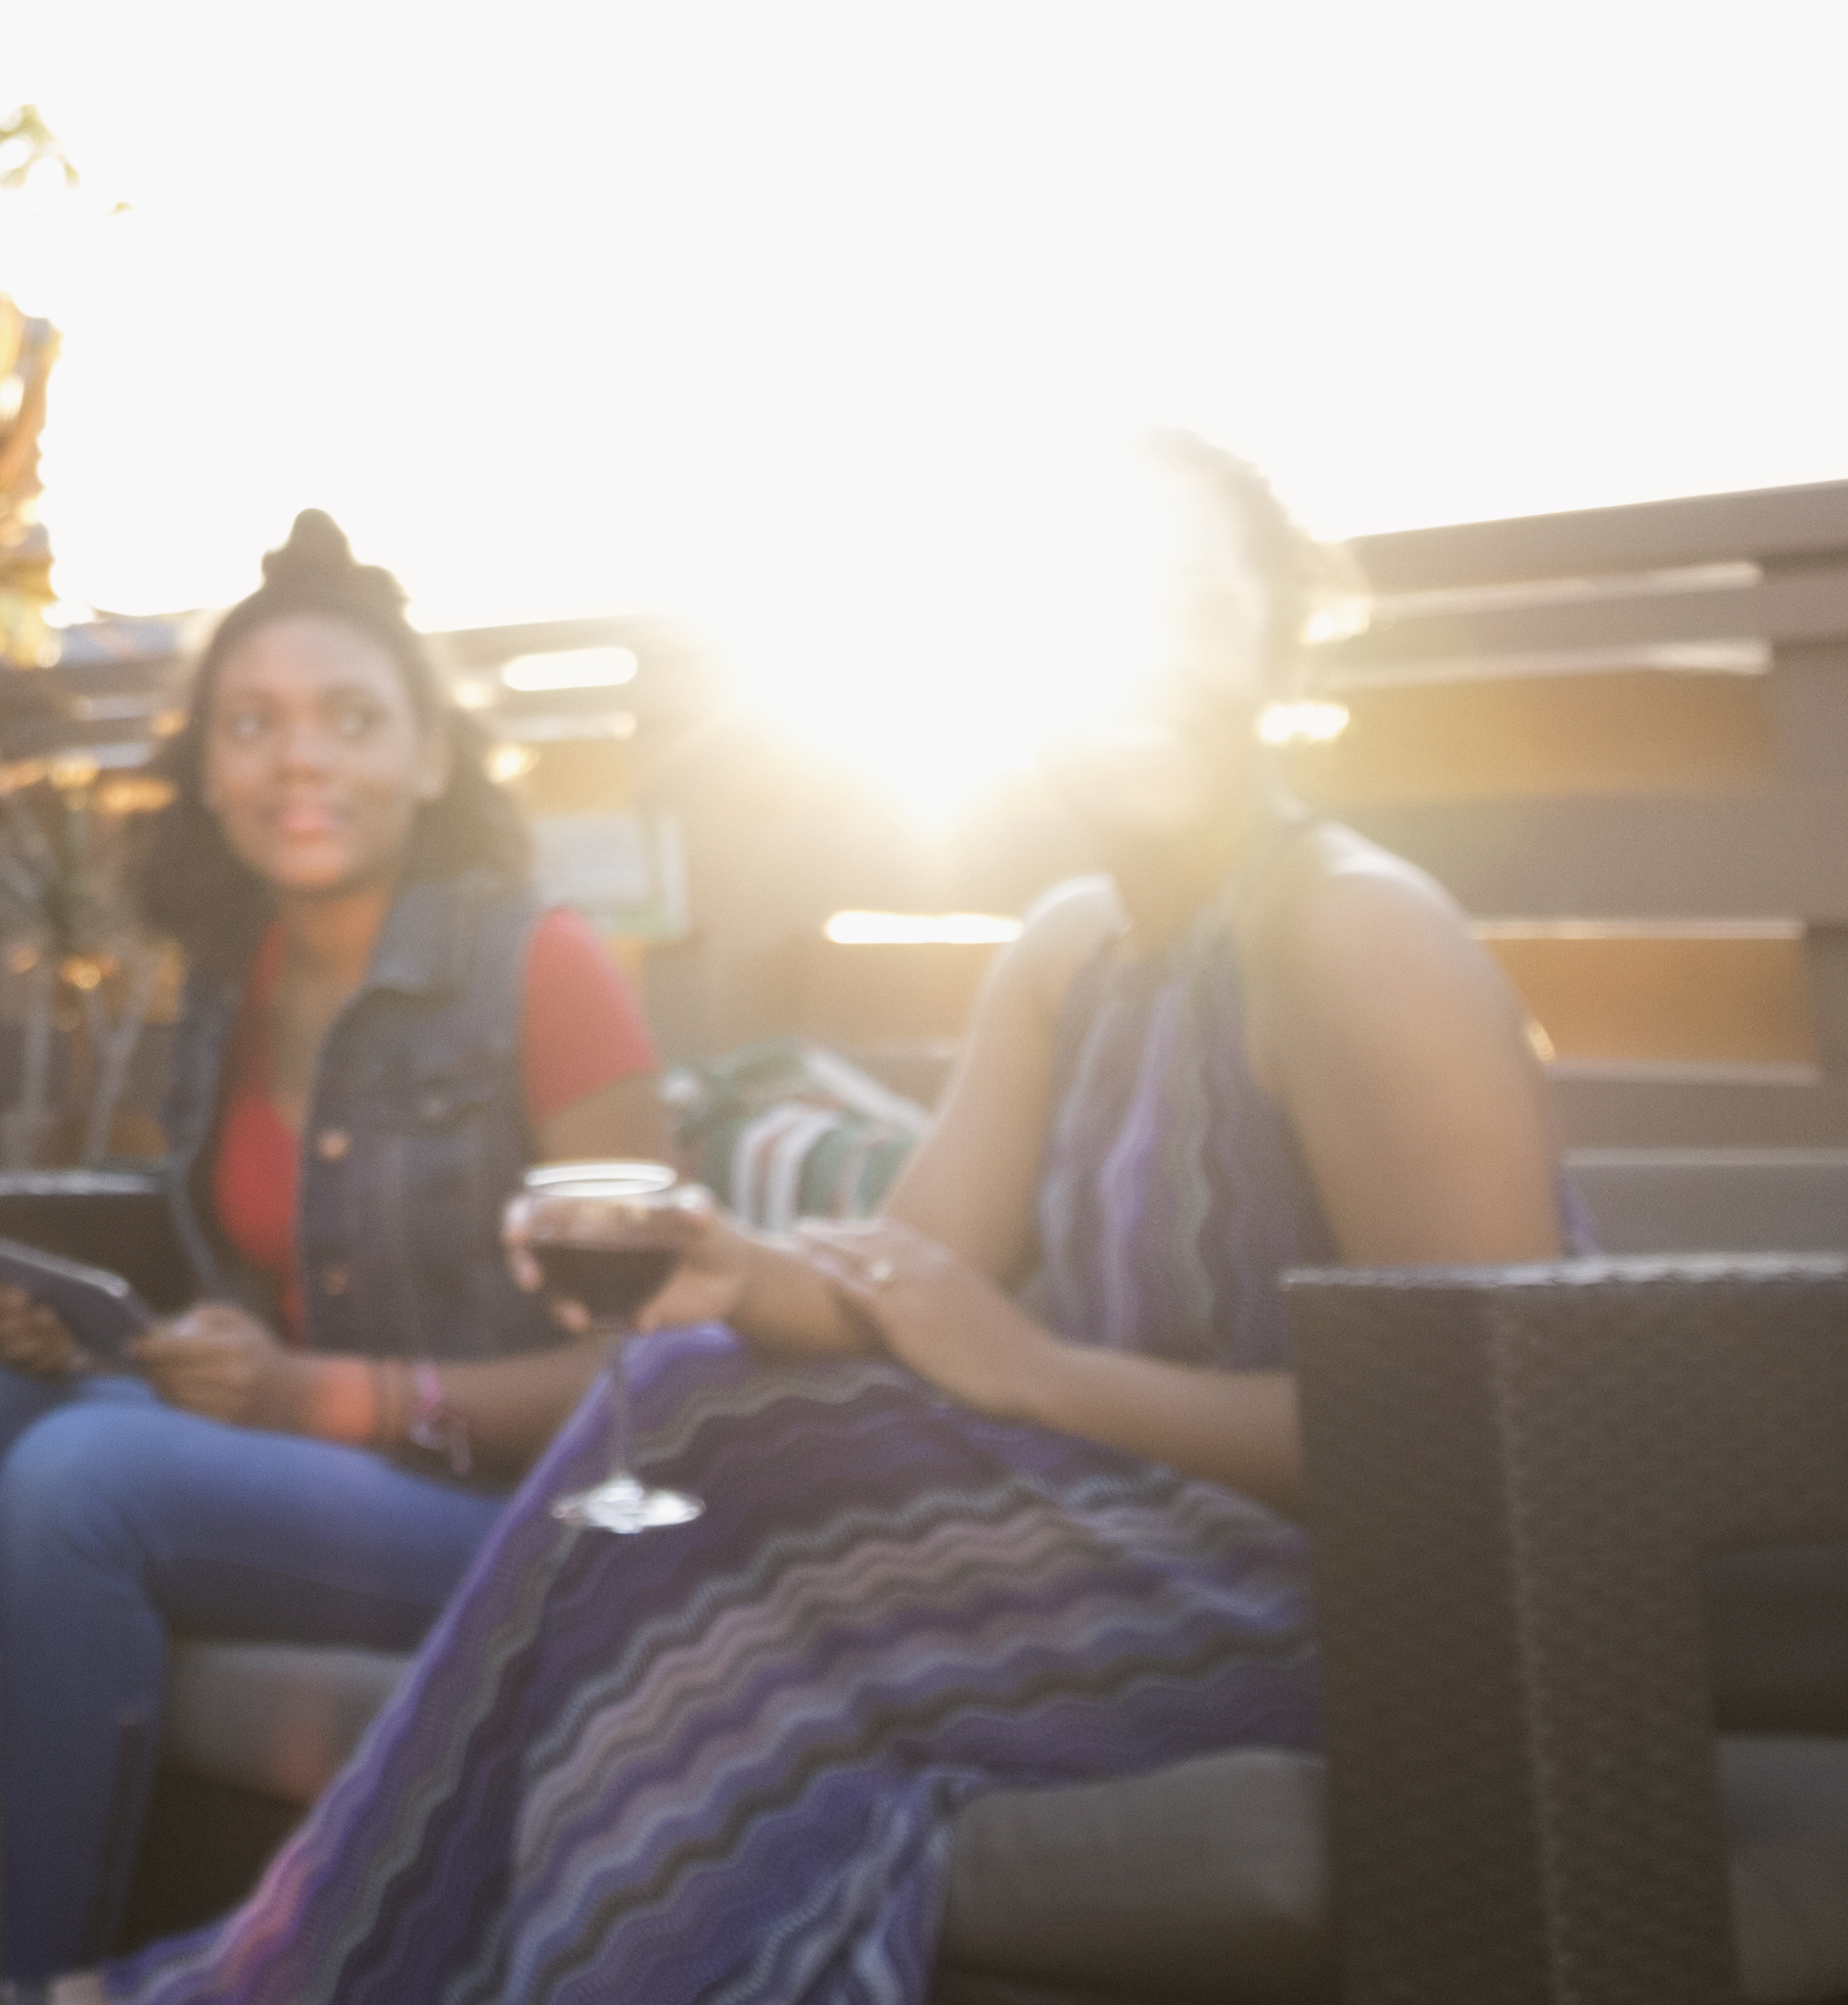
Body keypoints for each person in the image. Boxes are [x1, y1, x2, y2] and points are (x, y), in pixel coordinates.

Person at [119, 440, 1570, 2005]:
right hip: (1129, 1549)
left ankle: (269, 1979)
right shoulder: (1076, 953)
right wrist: (732, 1266)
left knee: (703, 1497)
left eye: (1186, 602)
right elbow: (906, 1282)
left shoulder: (1353, 935)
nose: (1134, 652)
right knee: (700, 1565)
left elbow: (1488, 1448)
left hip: (1370, 1608)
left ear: (1277, 643)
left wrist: (1043, 1377)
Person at [0, 514, 676, 1986]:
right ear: (207, 772)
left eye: (353, 721)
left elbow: (653, 1360)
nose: (301, 760)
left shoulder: (547, 969)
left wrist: (318, 1398)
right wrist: (105, 1336)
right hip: (308, 1467)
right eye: (255, 726)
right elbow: (266, 1288)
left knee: (81, 1482)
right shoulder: (237, 980)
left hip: (513, 1510)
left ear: (429, 759)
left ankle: (9, 1981)